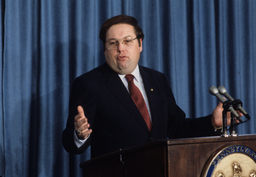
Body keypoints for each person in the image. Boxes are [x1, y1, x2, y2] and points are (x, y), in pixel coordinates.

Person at [62, 15, 238, 158]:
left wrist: (212, 122)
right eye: (113, 43)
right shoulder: (89, 84)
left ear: (140, 44)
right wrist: (80, 135)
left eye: (127, 41)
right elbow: (71, 143)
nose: (120, 49)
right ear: (105, 49)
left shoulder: (157, 79)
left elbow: (176, 128)